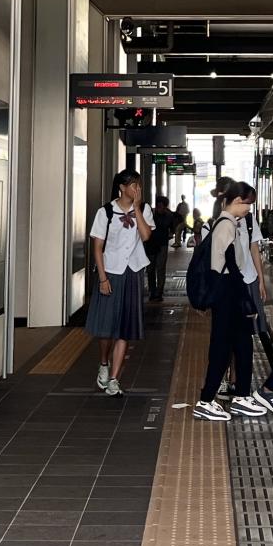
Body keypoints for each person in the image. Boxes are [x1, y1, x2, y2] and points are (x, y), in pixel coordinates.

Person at [194, 182, 271, 422]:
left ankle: (241, 396)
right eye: (248, 204)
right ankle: (207, 401)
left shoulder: (229, 224)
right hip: (227, 293)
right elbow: (231, 267)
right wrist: (245, 299)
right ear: (237, 201)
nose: (250, 209)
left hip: (229, 292)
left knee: (241, 344)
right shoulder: (226, 226)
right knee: (223, 348)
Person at [87, 169, 154, 395]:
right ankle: (104, 363)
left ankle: (114, 378)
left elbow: (146, 236)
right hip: (111, 272)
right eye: (134, 186)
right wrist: (103, 278)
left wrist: (136, 209)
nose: (138, 190)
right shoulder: (105, 212)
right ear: (122, 187)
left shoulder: (144, 210)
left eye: (139, 186)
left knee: (125, 326)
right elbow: (97, 247)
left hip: (133, 272)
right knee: (106, 327)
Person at [147, 194, 177, 301]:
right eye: (158, 206)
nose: (159, 208)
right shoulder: (150, 214)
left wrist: (170, 234)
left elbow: (172, 229)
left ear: (165, 207)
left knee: (160, 269)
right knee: (150, 269)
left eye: (161, 206)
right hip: (150, 246)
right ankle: (152, 291)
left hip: (162, 246)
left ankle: (159, 292)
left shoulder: (169, 216)